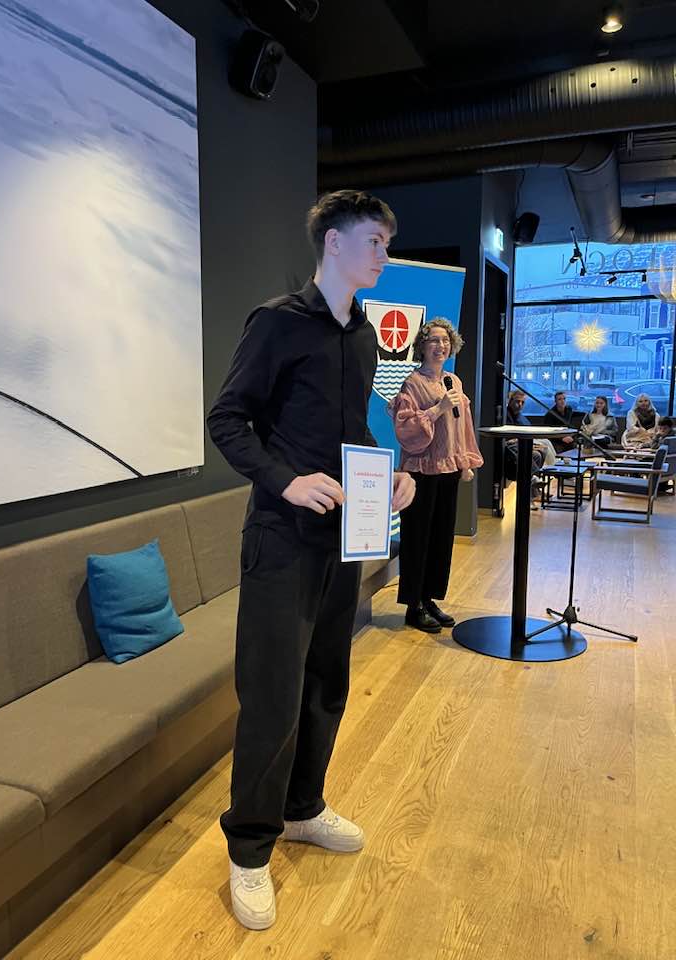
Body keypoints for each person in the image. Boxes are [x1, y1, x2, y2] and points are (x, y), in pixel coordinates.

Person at [207, 190, 416, 931]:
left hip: (343, 538)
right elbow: (227, 420)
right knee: (272, 694)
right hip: (281, 540)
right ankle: (249, 848)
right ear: (333, 241)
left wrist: (391, 475)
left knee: (327, 681)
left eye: (387, 242)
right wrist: (286, 480)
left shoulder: (364, 335)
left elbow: (353, 430)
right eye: (375, 240)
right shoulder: (276, 322)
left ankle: (302, 807)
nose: (384, 253)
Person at [389, 319, 483, 633]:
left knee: (442, 538)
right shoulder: (411, 383)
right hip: (420, 472)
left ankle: (429, 599)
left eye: (445, 340)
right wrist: (436, 409)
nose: (440, 346)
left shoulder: (453, 382)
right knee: (418, 538)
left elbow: (463, 426)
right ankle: (413, 606)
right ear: (422, 346)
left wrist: (465, 461)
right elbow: (405, 430)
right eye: (433, 340)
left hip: (448, 470)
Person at [504, 389, 554, 506]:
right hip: (511, 446)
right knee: (536, 454)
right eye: (517, 401)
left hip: (522, 441)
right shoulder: (506, 415)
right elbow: (510, 437)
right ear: (510, 401)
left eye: (522, 402)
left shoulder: (519, 416)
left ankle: (534, 489)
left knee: (542, 450)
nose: (520, 405)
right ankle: (534, 480)